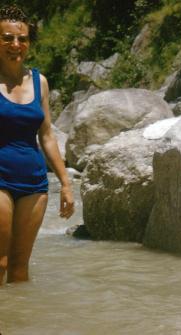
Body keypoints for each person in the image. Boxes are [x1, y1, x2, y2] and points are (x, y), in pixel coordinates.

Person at [0, 5, 74, 285]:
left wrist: (66, 183)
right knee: (0, 262)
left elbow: (47, 135)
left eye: (22, 39)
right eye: (7, 38)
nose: (15, 45)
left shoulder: (39, 82)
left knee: (20, 267)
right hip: (0, 180)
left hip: (34, 183)